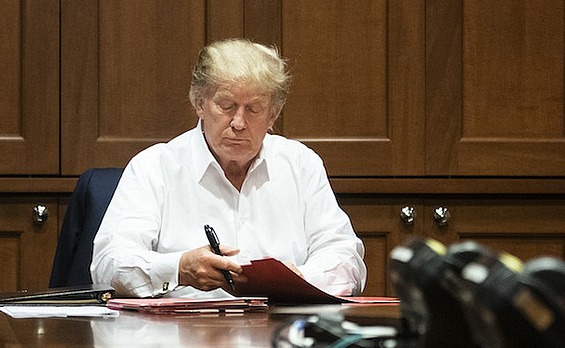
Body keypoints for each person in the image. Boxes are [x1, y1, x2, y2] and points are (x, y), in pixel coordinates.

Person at [91, 38, 366, 298]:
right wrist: (179, 268)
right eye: (226, 106)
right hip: (180, 338)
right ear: (199, 104)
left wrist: (300, 278)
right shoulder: (155, 167)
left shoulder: (300, 164)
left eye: (254, 109)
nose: (238, 122)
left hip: (279, 332)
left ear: (273, 114)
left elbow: (345, 256)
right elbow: (108, 263)